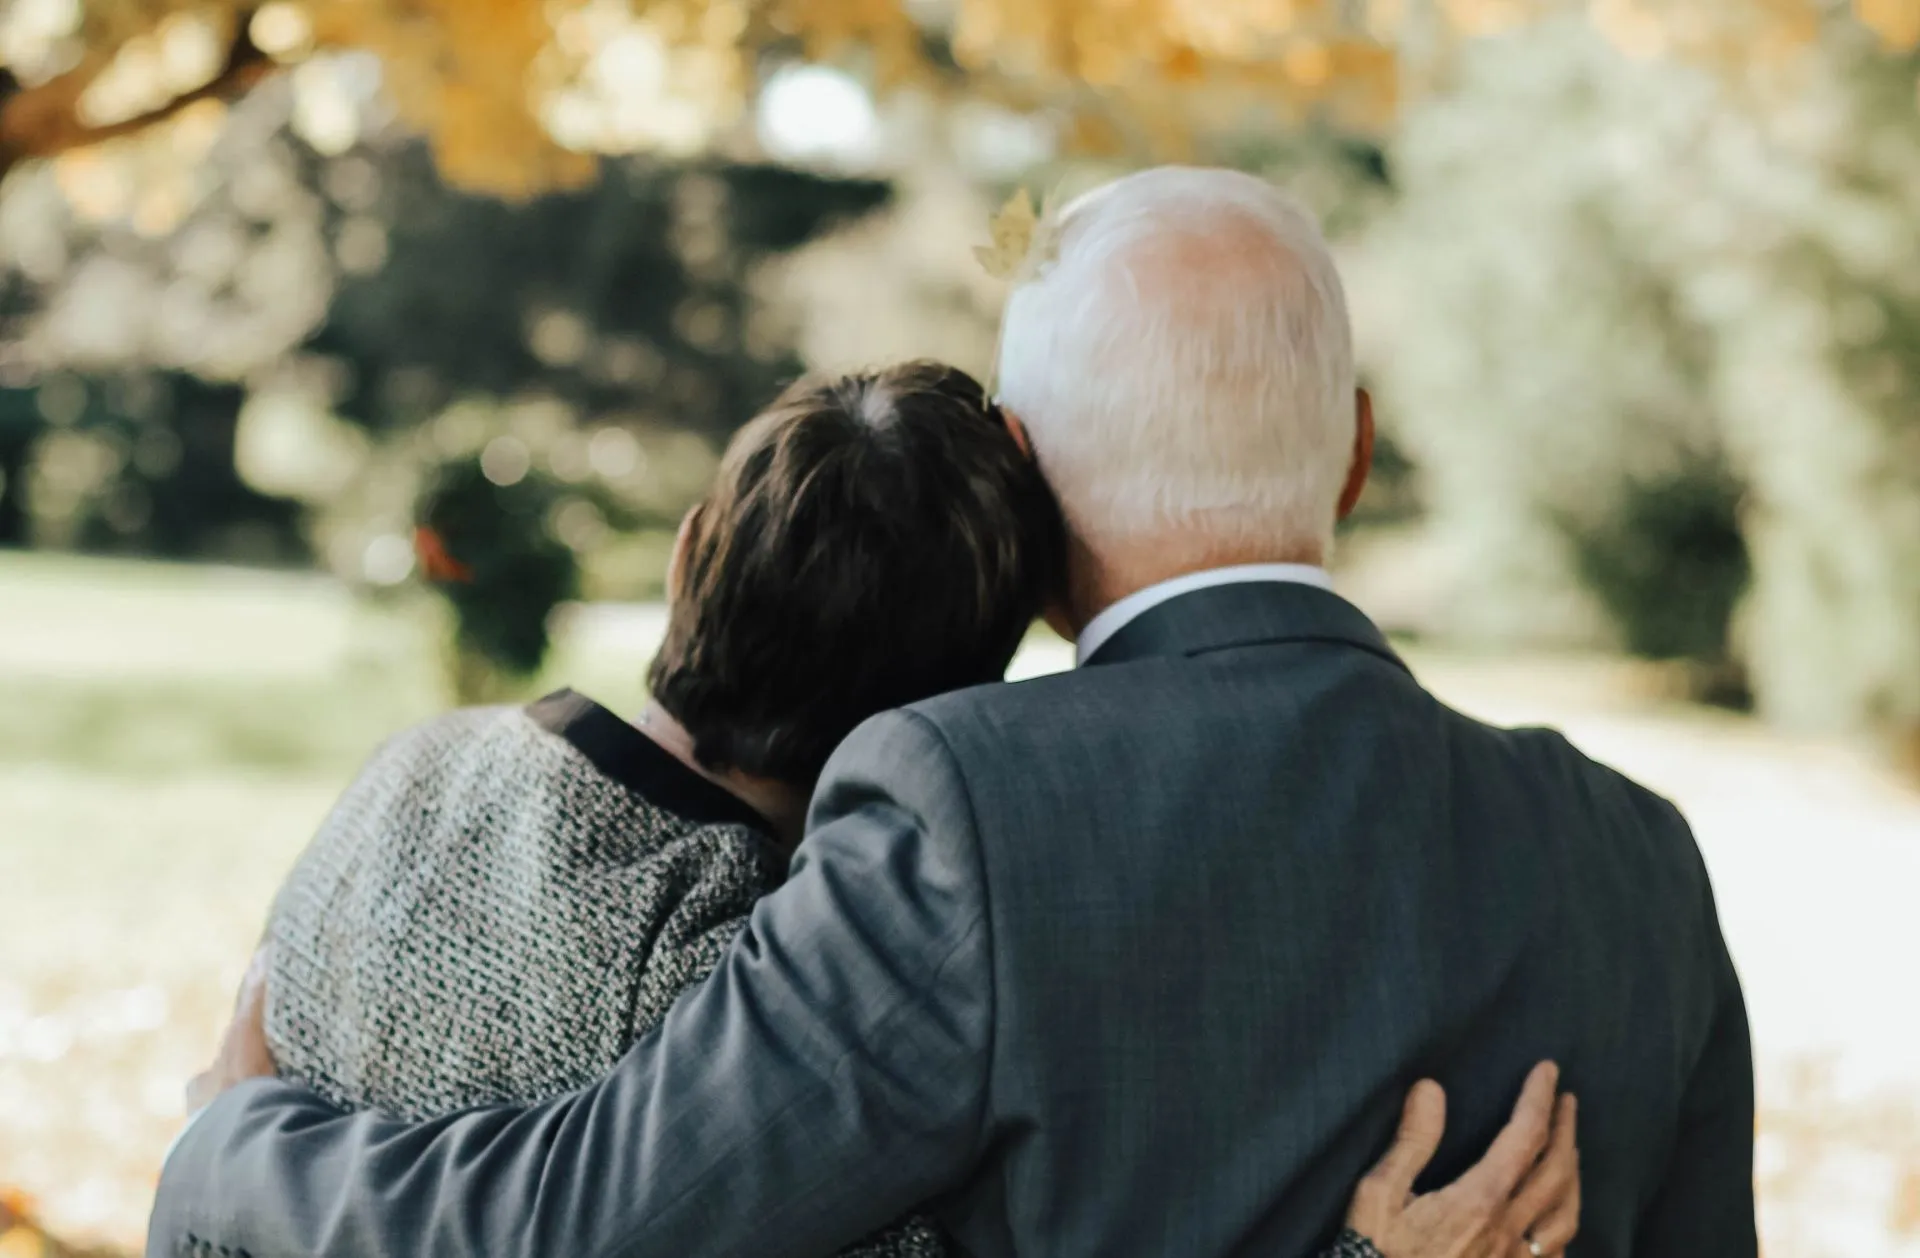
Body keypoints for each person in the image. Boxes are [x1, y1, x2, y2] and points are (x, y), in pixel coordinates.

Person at [151, 167, 1749, 1257]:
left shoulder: (959, 807)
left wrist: (237, 1140)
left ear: (1032, 487)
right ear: (1352, 450)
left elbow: (589, 1220)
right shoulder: (1645, 864)